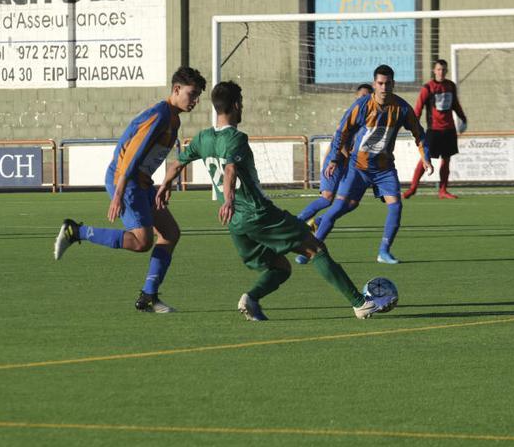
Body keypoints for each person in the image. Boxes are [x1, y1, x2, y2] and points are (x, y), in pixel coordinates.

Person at [155, 81, 395, 321]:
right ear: (237, 105)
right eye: (242, 103)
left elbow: (177, 163)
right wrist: (229, 198)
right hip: (259, 214)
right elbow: (230, 169)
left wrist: (165, 185)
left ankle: (251, 298)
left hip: (236, 224)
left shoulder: (202, 138)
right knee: (315, 249)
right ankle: (360, 303)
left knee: (280, 268)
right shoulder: (236, 138)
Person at [53, 66, 206, 313]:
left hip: (141, 181)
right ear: (176, 89)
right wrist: (119, 190)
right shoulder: (160, 116)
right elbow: (132, 153)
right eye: (192, 94)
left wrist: (163, 185)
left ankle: (149, 297)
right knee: (141, 242)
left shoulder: (173, 118)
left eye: (198, 95)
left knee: (170, 233)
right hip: (125, 179)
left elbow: (149, 156)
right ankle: (76, 231)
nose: (196, 101)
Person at [306, 65, 432, 265]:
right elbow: (341, 132)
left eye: (388, 83)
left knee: (396, 205)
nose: (384, 87)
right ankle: (311, 250)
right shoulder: (362, 105)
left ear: (393, 84)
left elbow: (419, 133)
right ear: (375, 84)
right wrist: (334, 159)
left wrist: (425, 157)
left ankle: (384, 251)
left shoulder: (402, 108)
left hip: (384, 169)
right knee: (338, 207)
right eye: (380, 83)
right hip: (358, 167)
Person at [294, 83, 373, 264]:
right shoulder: (353, 115)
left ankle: (318, 221)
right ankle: (297, 222)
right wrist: (333, 161)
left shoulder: (371, 119)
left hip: (351, 165)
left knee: (352, 203)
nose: (364, 99)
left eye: (367, 96)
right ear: (356, 97)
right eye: (361, 96)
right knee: (327, 198)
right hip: (337, 161)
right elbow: (341, 142)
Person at [403, 59, 468, 199]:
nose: (441, 72)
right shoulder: (428, 88)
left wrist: (463, 118)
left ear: (447, 71)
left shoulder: (450, 86)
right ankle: (413, 188)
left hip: (449, 129)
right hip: (434, 130)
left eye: (444, 69)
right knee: (425, 159)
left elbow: (455, 104)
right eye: (439, 69)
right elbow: (418, 107)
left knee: (446, 160)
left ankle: (443, 190)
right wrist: (413, 124)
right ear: (434, 71)